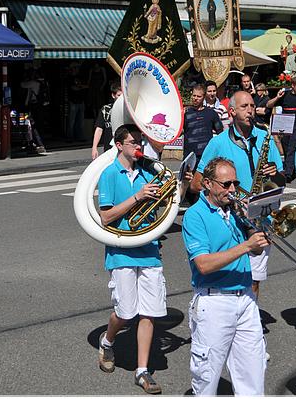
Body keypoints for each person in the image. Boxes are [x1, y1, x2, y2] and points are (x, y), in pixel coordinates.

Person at [182, 157, 269, 395]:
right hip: (214, 301)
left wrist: (254, 224)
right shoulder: (195, 215)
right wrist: (246, 246)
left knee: (253, 372)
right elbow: (203, 265)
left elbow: (259, 247)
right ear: (208, 184)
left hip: (246, 298)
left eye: (235, 183)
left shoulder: (236, 211)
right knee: (207, 376)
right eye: (226, 184)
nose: (232, 190)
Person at [190, 91, 284, 310]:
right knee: (233, 272)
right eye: (244, 106)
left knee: (255, 277)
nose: (251, 110)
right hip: (231, 217)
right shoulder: (218, 143)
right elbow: (197, 183)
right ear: (231, 112)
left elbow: (281, 178)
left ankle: (249, 315)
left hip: (261, 217)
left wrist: (275, 174)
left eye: (252, 105)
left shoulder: (264, 137)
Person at [96, 124, 166, 394]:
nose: (138, 146)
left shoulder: (149, 171)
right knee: (126, 312)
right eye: (133, 142)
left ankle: (142, 371)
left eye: (140, 141)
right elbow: (106, 216)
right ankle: (108, 340)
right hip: (122, 249)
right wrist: (138, 196)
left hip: (149, 248)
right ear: (119, 145)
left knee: (150, 312)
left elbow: (164, 207)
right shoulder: (109, 174)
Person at [266, 77, 296, 181]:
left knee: (292, 148)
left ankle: (288, 173)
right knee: (285, 148)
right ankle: (290, 167)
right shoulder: (285, 95)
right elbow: (269, 105)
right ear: (293, 86)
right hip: (285, 124)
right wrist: (277, 97)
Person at [183, 83, 223, 165]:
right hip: (189, 155)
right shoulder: (185, 113)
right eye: (194, 96)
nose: (195, 98)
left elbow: (220, 133)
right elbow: (179, 131)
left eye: (198, 96)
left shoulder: (211, 113)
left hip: (206, 155)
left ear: (204, 97)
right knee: (187, 177)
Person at [92, 82, 122, 160]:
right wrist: (94, 147)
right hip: (109, 148)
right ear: (113, 95)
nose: (121, 98)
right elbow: (99, 129)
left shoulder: (129, 110)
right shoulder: (106, 110)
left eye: (123, 95)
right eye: (119, 95)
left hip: (123, 149)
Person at [67, 70, 88, 142]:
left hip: (81, 101)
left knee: (80, 121)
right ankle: (70, 137)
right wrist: (81, 87)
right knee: (71, 121)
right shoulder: (69, 79)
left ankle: (80, 137)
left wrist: (80, 87)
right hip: (73, 102)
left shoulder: (81, 77)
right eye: (74, 68)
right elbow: (73, 88)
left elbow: (87, 86)